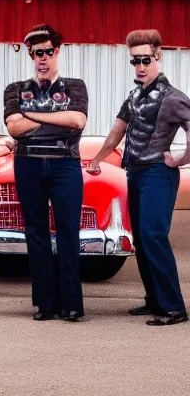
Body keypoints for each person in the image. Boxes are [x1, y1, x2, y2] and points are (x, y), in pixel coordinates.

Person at [88, 29, 190, 326]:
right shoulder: (134, 96)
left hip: (159, 173)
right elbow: (117, 131)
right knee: (142, 240)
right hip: (136, 173)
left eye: (145, 59)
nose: (140, 66)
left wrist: (182, 158)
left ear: (158, 57)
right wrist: (96, 160)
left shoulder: (172, 98)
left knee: (153, 236)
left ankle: (174, 308)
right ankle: (155, 300)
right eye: (135, 61)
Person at [4, 24, 88, 322]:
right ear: (30, 54)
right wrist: (55, 118)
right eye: (37, 53)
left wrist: (31, 115)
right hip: (28, 165)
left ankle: (72, 304)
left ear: (58, 51)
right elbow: (13, 127)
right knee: (36, 232)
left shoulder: (75, 86)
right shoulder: (15, 88)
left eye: (48, 52)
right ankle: (45, 303)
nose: (43, 58)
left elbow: (77, 120)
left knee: (68, 232)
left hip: (65, 164)